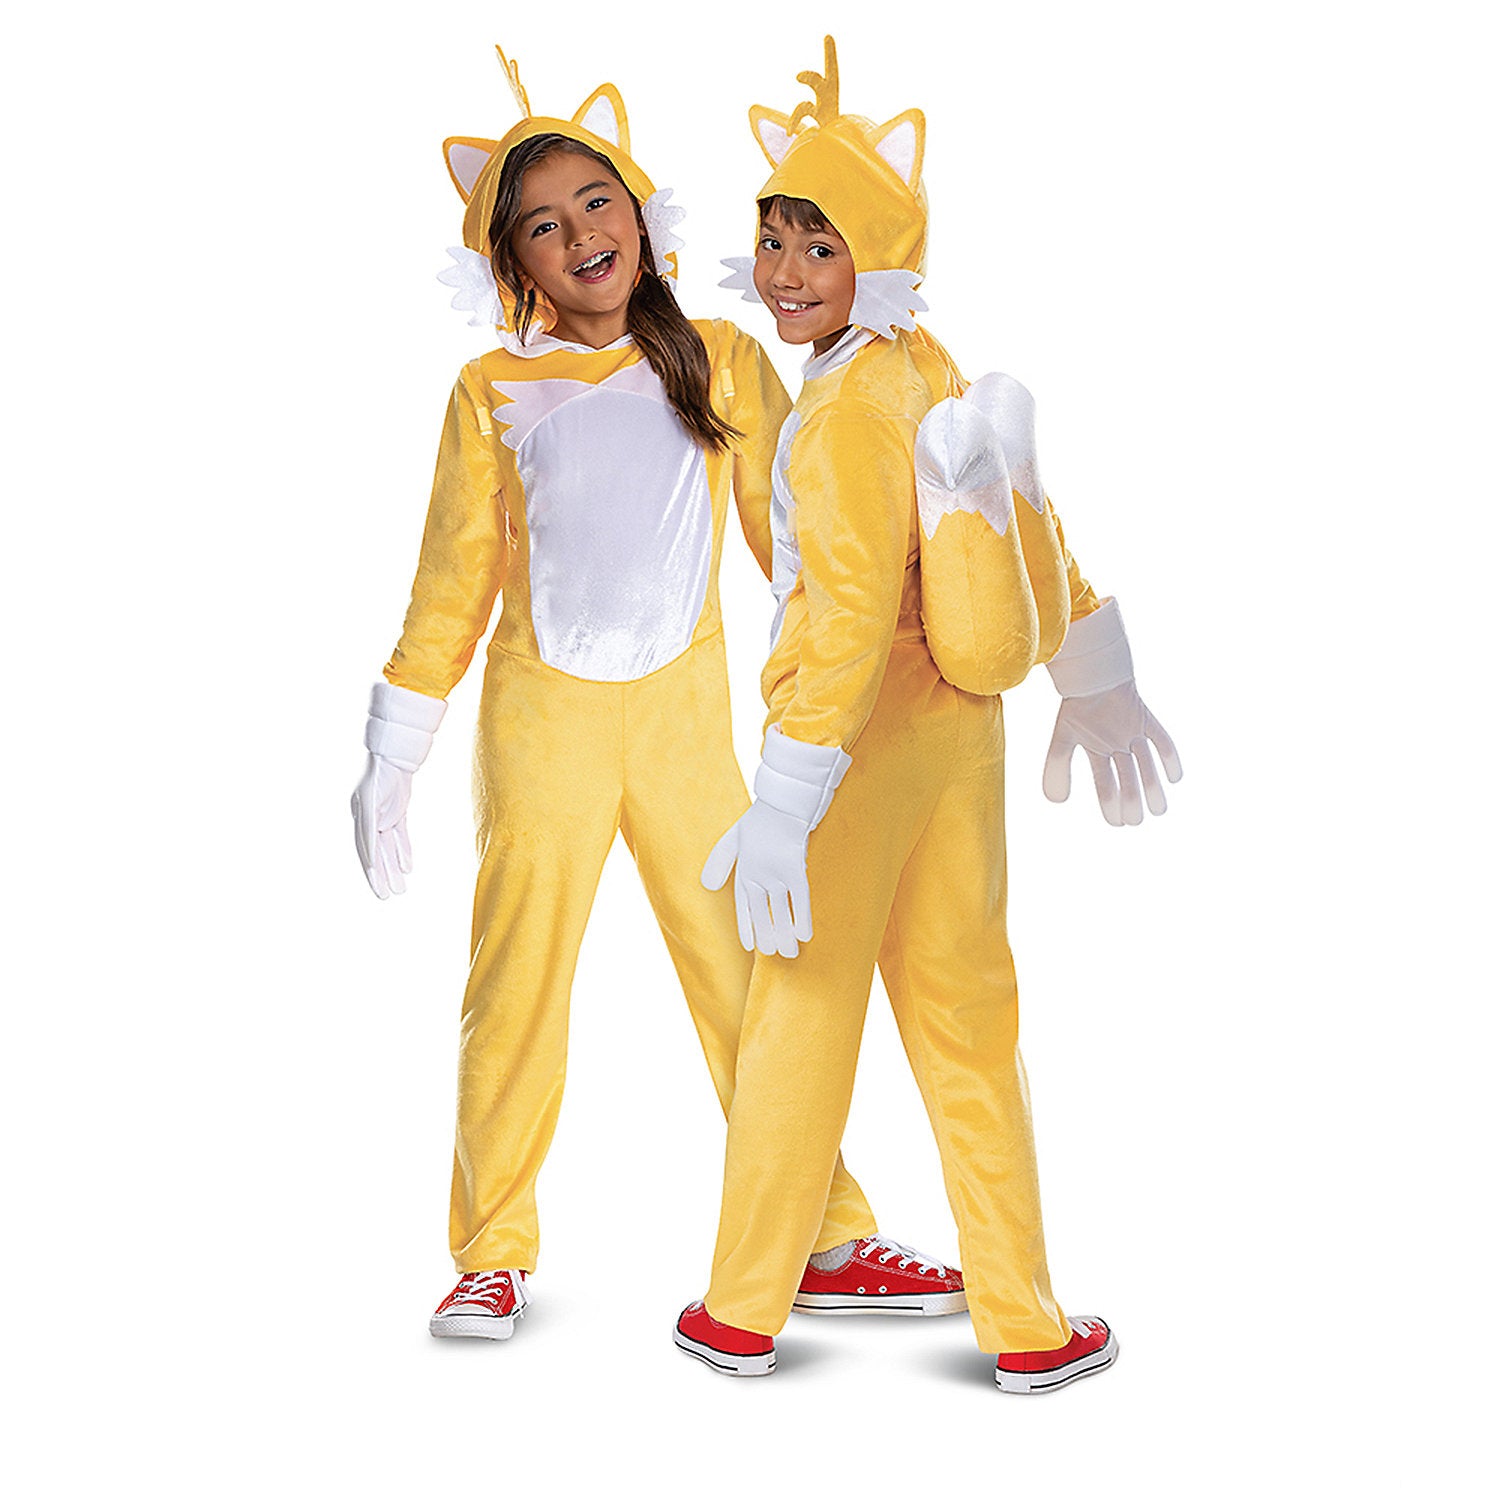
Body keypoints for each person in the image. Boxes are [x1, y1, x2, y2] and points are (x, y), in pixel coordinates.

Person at [351, 47, 961, 1343]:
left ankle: (823, 1230)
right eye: (542, 223)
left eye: (597, 202)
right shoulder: (490, 392)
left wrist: (873, 673)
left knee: (750, 972)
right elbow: (451, 583)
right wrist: (395, 749)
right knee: (517, 982)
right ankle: (490, 1249)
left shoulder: (725, 361)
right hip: (542, 729)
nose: (580, 233)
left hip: (682, 723)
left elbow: (800, 545)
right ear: (511, 263)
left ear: (640, 213)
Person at [673, 38, 1181, 1391]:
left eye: (819, 245)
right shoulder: (926, 361)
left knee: (802, 1015)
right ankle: (1025, 1321)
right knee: (971, 1022)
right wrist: (1093, 668)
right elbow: (1019, 522)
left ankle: (741, 1310)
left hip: (855, 755)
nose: (785, 271)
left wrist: (786, 799)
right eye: (772, 237)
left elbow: (841, 619)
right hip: (964, 737)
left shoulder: (843, 412)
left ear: (879, 254)